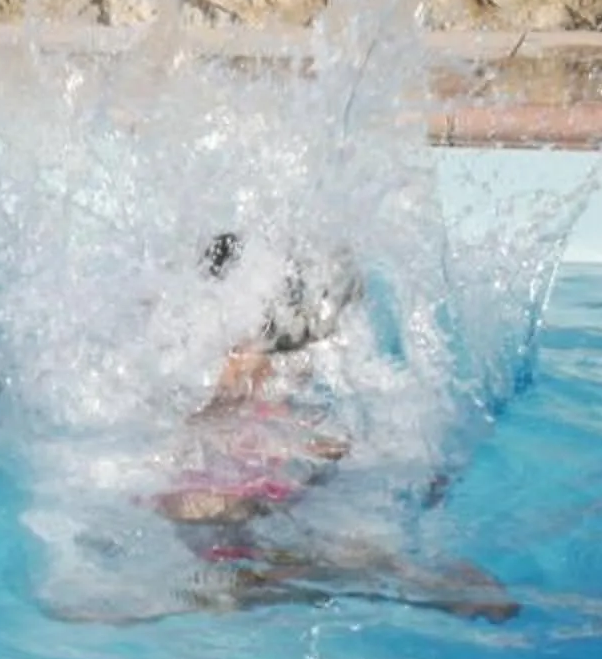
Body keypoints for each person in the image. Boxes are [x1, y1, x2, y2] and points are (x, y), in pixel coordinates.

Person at [151, 233, 519, 624]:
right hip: (230, 515)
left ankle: (395, 573)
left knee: (319, 548)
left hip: (254, 511)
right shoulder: (219, 380)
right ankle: (401, 575)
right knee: (297, 556)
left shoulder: (267, 382)